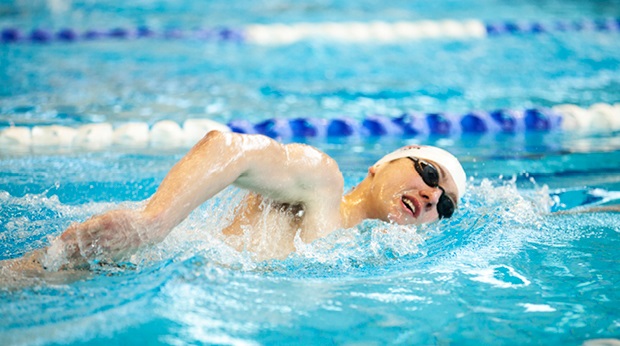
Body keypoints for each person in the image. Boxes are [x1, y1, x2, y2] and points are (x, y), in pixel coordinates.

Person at [2, 130, 466, 272]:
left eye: (443, 205)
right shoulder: (322, 184)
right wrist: (153, 221)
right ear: (381, 165)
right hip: (124, 264)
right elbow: (230, 147)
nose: (431, 196)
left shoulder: (373, 264)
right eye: (428, 173)